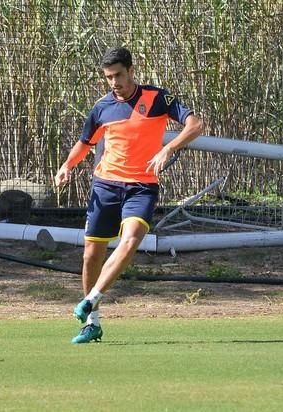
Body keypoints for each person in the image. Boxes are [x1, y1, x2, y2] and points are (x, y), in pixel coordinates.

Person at [54, 46, 203, 344]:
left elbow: (196, 124)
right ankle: (92, 323)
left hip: (142, 186)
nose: (114, 82)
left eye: (118, 75)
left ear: (131, 70)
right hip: (105, 186)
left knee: (131, 239)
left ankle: (90, 299)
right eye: (108, 77)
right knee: (90, 255)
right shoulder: (101, 108)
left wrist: (168, 148)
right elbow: (85, 143)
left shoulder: (158, 98)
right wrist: (66, 166)